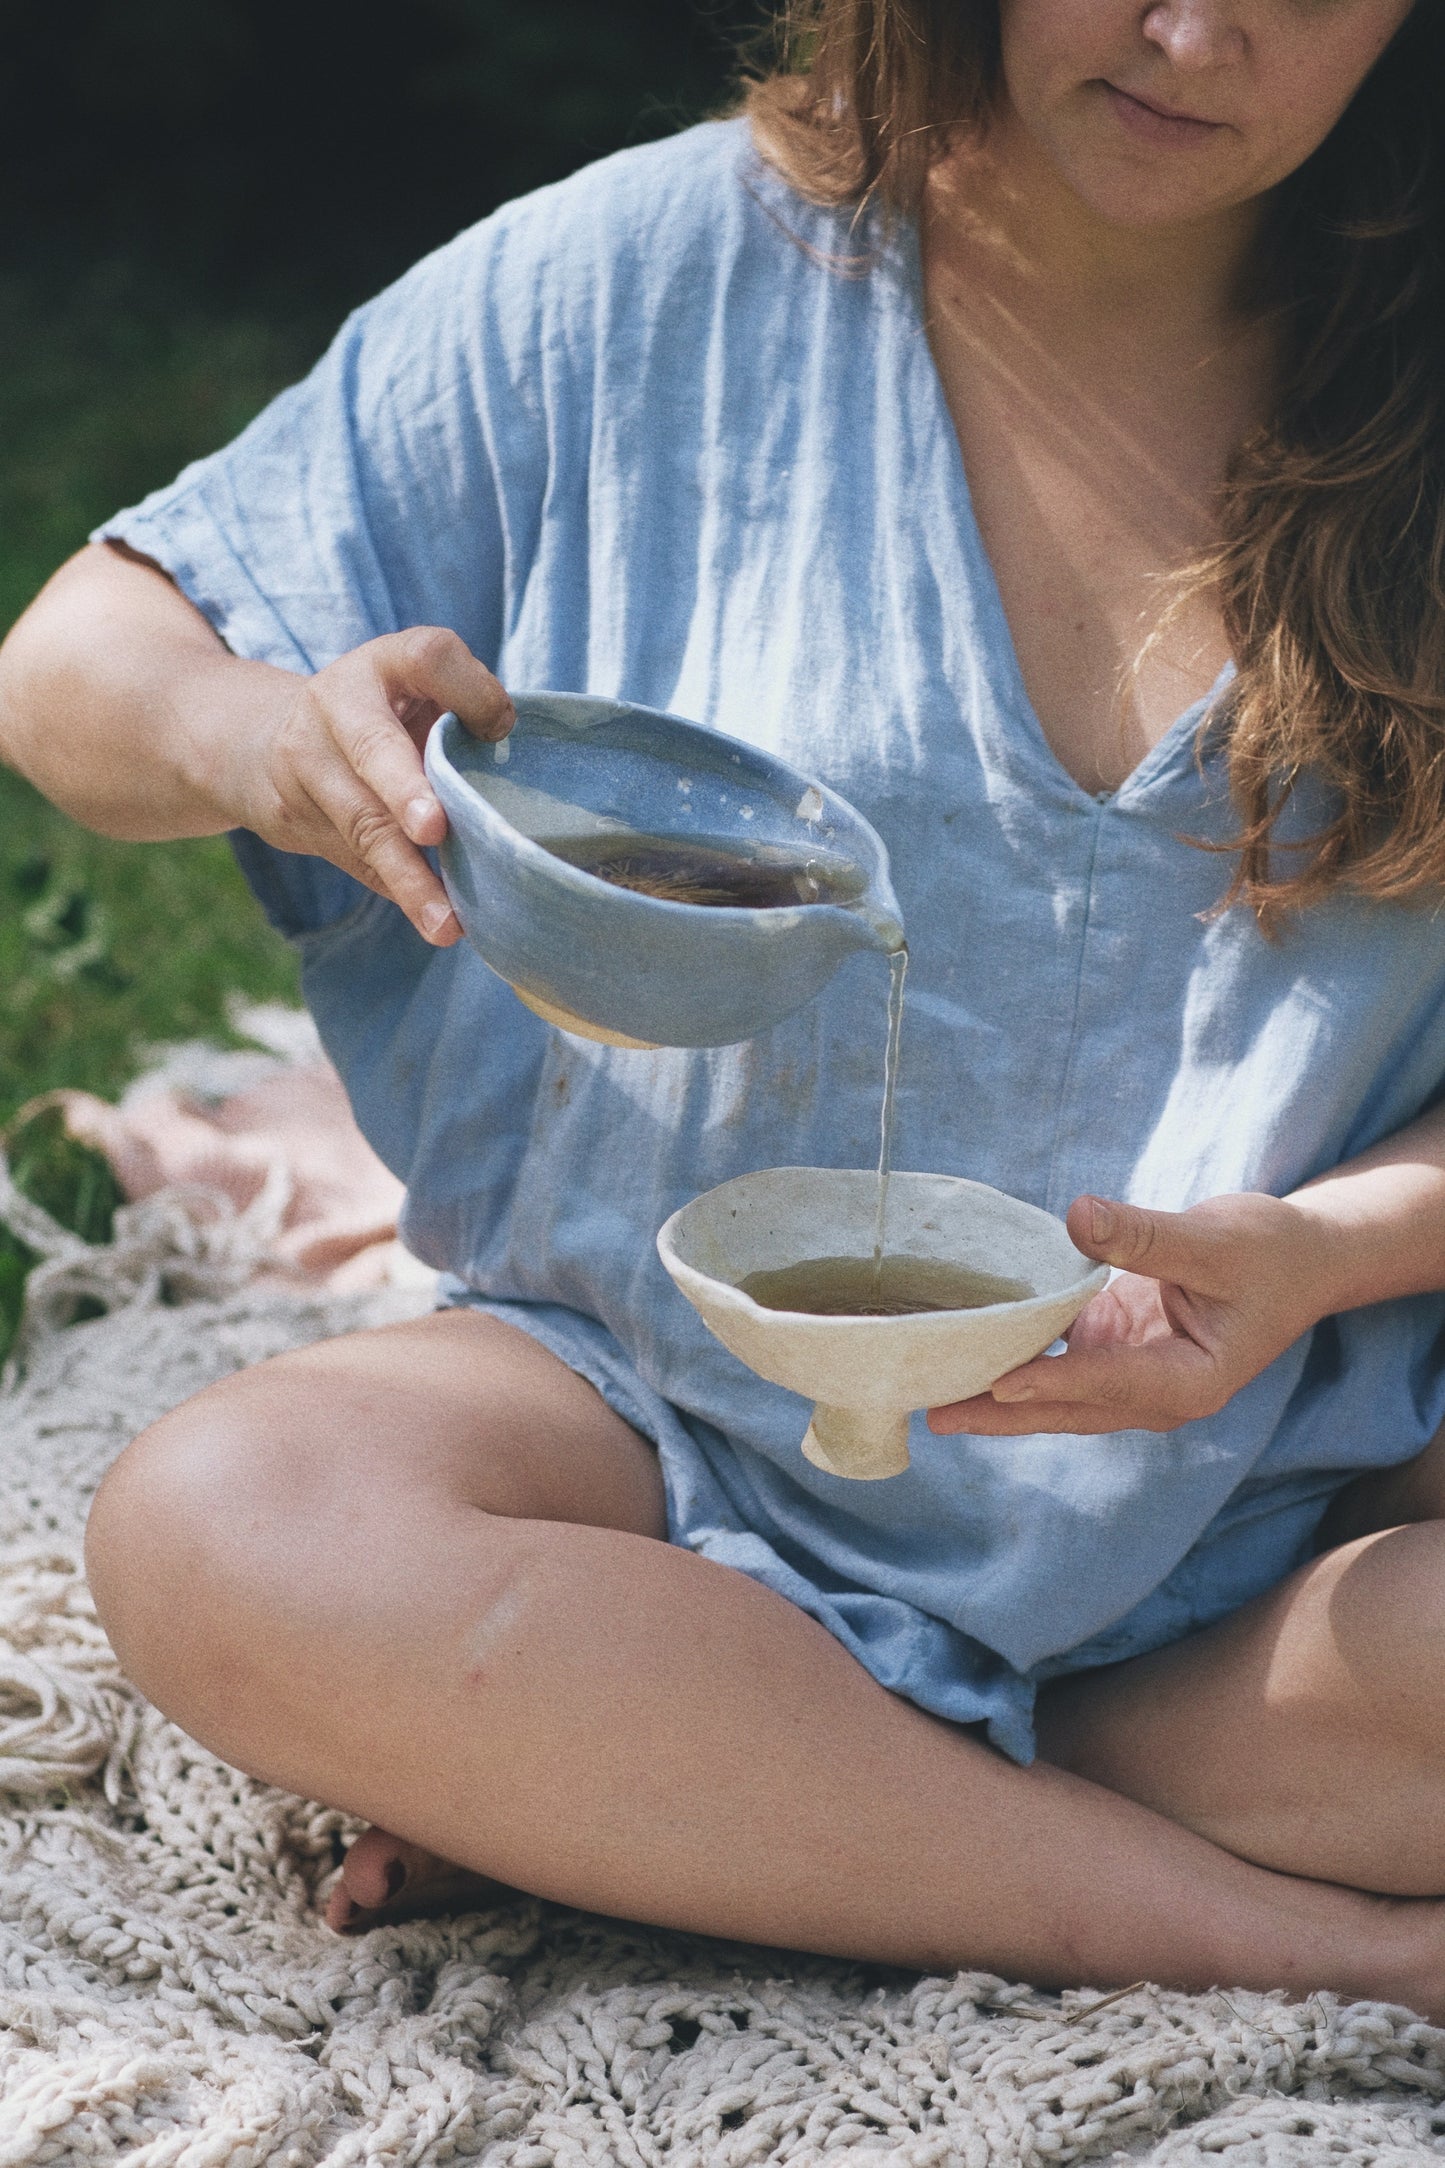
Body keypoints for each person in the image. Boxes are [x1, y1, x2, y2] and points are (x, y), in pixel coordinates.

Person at [3, 0, 1445, 2012]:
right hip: (651, 1434)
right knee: (219, 1528)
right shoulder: (655, 281)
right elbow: (73, 662)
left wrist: (1323, 1251)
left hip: (1275, 1533)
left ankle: (746, 1773)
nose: (1195, 30)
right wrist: (269, 736)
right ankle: (1253, 1927)